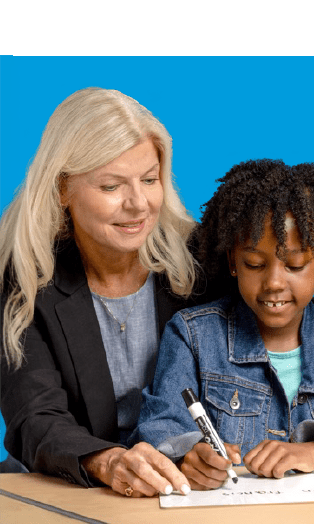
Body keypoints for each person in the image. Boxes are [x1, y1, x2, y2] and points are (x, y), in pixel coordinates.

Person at [130, 160, 314, 490]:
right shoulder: (192, 334)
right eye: (254, 263)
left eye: (294, 265)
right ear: (233, 262)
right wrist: (188, 456)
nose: (274, 283)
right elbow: (159, 425)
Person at [0, 87, 198, 497]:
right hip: (64, 487)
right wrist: (107, 461)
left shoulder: (200, 265)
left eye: (149, 179)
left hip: (175, 489)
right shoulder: (20, 279)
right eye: (112, 187)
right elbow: (36, 418)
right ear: (61, 190)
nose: (139, 204)